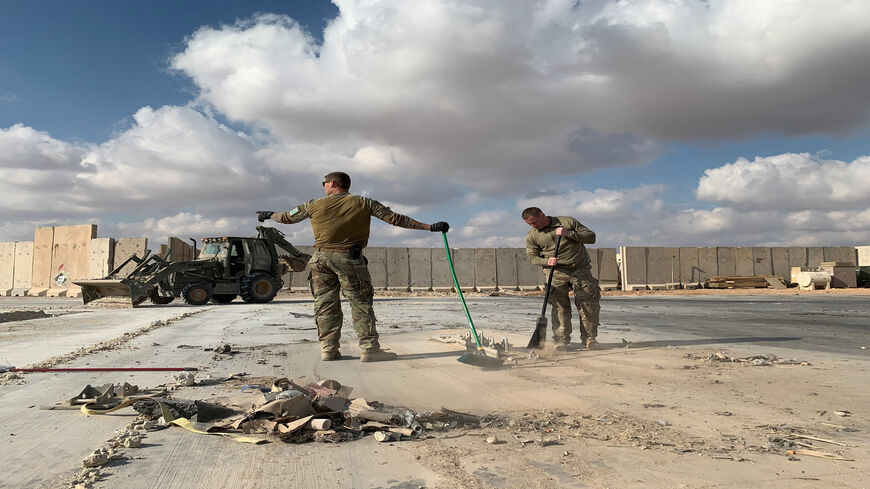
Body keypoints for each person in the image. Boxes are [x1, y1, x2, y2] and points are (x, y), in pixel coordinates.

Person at [256, 171, 449, 362]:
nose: (323, 187)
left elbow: (286, 217)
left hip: (320, 261)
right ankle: (369, 349)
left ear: (333, 183)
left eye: (324, 183)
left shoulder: (312, 205)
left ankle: (328, 349)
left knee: (325, 305)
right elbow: (396, 219)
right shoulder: (364, 203)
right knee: (360, 304)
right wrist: (430, 227)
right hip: (349, 260)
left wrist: (269, 214)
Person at [522, 207, 601, 350]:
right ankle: (561, 341)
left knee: (588, 304)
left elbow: (591, 237)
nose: (533, 226)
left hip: (580, 269)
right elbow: (532, 257)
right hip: (555, 272)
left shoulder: (567, 222)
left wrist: (568, 234)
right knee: (559, 307)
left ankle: (590, 338)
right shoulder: (532, 236)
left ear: (542, 215)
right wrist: (546, 261)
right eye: (529, 224)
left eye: (534, 222)